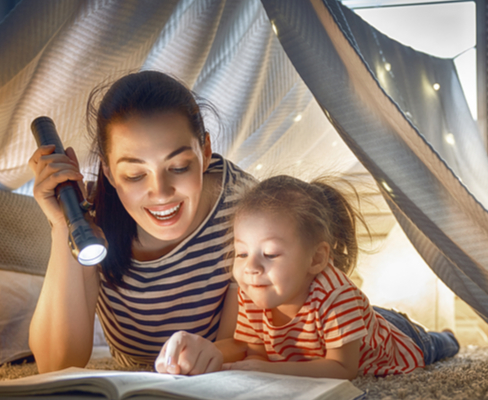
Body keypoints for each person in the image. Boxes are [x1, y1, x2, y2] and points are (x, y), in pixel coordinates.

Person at [28, 70, 255, 374]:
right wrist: (62, 225)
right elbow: (57, 364)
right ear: (108, 172)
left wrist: (214, 354)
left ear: (205, 151)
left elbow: (248, 345)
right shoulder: (92, 220)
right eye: (135, 175)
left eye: (178, 166)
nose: (160, 193)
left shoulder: (245, 207)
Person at [157, 175, 459, 378]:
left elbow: (343, 368)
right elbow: (254, 351)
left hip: (397, 335)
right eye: (241, 253)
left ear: (316, 258)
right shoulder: (253, 290)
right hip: (349, 325)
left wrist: (271, 371)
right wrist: (202, 357)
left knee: (436, 346)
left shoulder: (337, 297)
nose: (251, 267)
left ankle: (447, 335)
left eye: (271, 254)